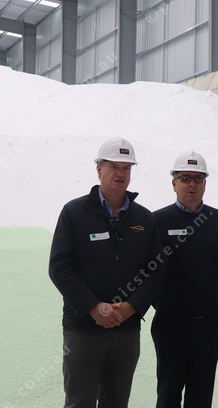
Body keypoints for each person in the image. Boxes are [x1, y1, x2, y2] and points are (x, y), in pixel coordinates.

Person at [49, 136, 165, 408]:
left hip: (127, 331)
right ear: (99, 168)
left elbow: (157, 271)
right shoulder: (74, 213)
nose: (120, 174)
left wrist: (131, 307)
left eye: (126, 168)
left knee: (117, 403)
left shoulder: (144, 219)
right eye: (114, 166)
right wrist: (93, 307)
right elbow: (59, 267)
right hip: (84, 331)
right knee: (79, 402)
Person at [151, 150, 218, 408]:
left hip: (209, 323)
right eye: (185, 178)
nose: (192, 184)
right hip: (170, 323)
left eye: (198, 179)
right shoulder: (157, 221)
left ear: (205, 184)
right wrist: (166, 301)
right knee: (168, 394)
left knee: (201, 395)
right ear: (174, 183)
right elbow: (147, 270)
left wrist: (208, 295)